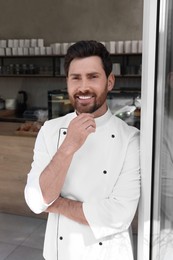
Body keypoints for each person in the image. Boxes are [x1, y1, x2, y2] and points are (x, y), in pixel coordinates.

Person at [24, 40, 140, 260]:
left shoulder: (131, 140)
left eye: (93, 77)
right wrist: (68, 146)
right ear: (67, 82)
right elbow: (36, 201)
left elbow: (118, 216)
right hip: (60, 253)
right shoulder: (50, 130)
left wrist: (57, 204)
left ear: (110, 81)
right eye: (75, 78)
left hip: (109, 254)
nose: (83, 87)